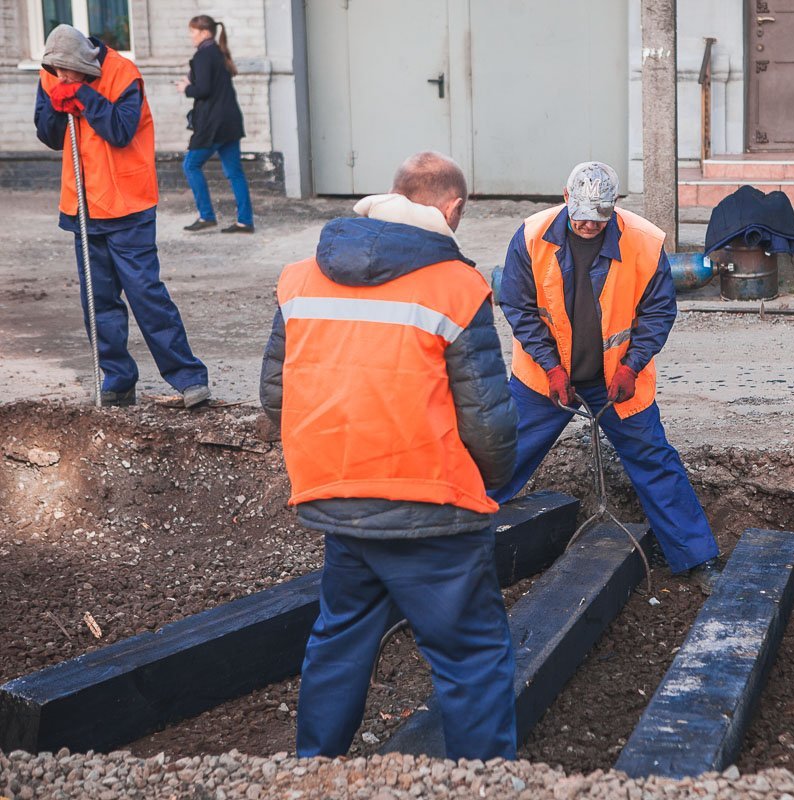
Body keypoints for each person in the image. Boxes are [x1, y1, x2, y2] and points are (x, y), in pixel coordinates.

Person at [259, 151, 519, 760]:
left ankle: (314, 770)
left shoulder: (299, 279)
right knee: (470, 655)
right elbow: (487, 420)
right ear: (453, 209)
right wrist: (492, 482)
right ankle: (482, 780)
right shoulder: (457, 287)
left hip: (339, 498)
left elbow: (276, 396)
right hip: (432, 508)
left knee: (339, 641)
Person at [493, 161, 721, 591]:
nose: (587, 225)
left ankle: (697, 557)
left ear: (614, 205)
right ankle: (453, 540)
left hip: (616, 379)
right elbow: (518, 307)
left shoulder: (643, 242)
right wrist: (551, 367)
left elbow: (658, 313)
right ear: (566, 197)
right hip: (545, 378)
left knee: (653, 459)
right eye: (580, 215)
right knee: (504, 454)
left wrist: (632, 366)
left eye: (598, 218)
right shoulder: (531, 236)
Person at [34, 24, 210, 408]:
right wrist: (58, 104)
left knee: (146, 294)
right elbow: (49, 136)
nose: (60, 77)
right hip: (83, 207)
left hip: (128, 205)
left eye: (67, 71)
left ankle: (189, 377)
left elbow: (120, 130)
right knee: (98, 301)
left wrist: (83, 96)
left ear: (85, 62)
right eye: (55, 70)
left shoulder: (123, 75)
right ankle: (118, 380)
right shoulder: (52, 76)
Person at [176, 15, 254, 233]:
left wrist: (185, 88)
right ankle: (245, 221)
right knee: (235, 172)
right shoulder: (219, 52)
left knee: (190, 165)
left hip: (213, 124)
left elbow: (204, 90)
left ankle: (206, 216)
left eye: (193, 32)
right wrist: (192, 82)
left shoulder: (203, 55)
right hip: (230, 121)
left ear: (204, 33)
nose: (191, 36)